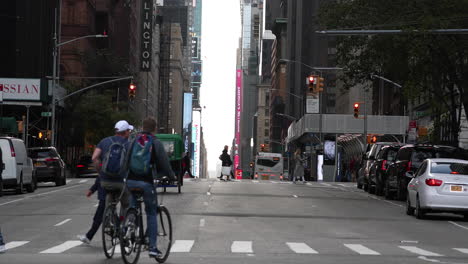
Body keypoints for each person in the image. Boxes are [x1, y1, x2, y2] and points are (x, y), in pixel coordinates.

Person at [126, 117, 175, 258]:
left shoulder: (134, 140)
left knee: (132, 207)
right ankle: (152, 247)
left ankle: (127, 230)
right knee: (151, 213)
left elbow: (126, 159)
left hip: (130, 181)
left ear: (142, 126)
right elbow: (164, 163)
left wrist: (124, 177)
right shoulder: (155, 142)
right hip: (146, 182)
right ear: (154, 128)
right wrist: (171, 176)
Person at [92, 120, 132, 218]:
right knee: (127, 203)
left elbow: (94, 158)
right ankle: (123, 224)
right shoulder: (129, 144)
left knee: (109, 199)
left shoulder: (104, 141)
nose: (129, 133)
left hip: (105, 181)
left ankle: (109, 219)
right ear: (126, 132)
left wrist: (100, 173)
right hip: (121, 182)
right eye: (129, 131)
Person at [77, 176, 105, 244]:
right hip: (117, 193)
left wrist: (92, 190)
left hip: (104, 197)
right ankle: (122, 234)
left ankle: (88, 237)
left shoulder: (104, 169)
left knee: (98, 218)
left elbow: (99, 180)